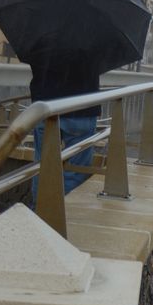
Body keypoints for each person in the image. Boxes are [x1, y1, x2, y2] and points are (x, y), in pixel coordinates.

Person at [30, 47, 100, 199]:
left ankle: (39, 213)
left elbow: (33, 59)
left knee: (43, 166)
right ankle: (66, 214)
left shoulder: (40, 33)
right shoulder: (93, 36)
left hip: (45, 106)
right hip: (82, 106)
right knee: (76, 170)